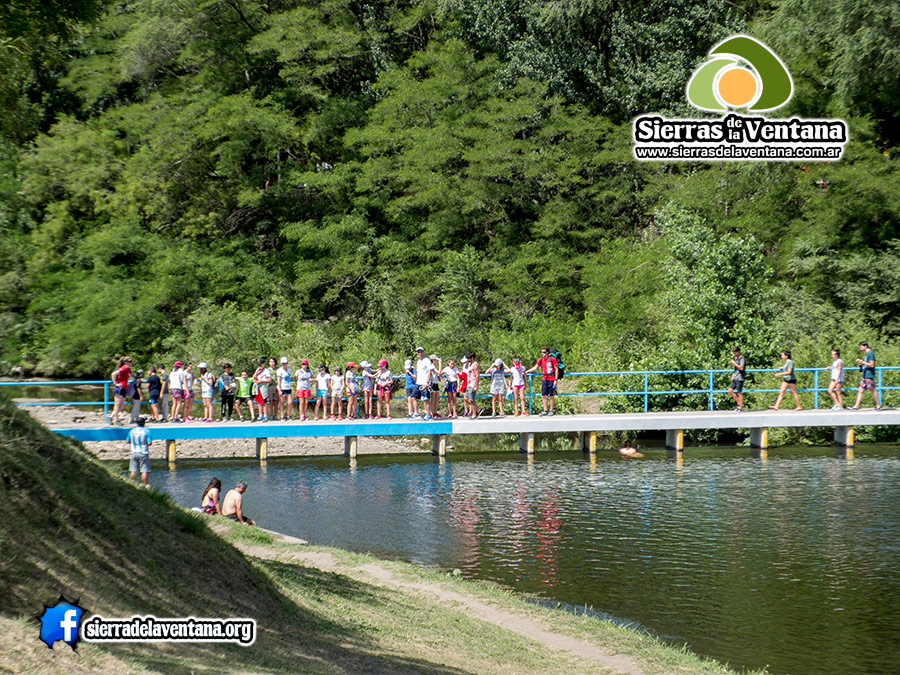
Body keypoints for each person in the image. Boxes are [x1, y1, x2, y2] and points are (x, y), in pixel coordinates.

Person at [525, 347, 558, 416]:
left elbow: (556, 369)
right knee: (543, 395)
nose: (542, 353)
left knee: (551, 395)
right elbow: (535, 367)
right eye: (542, 352)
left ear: (547, 352)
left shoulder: (552, 359)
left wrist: (556, 379)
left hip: (551, 378)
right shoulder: (541, 360)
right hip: (544, 379)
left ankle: (551, 410)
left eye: (544, 352)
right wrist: (527, 371)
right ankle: (545, 410)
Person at [850, 341, 882, 410]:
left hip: (869, 375)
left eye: (861, 347)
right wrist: (862, 364)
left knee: (872, 389)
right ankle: (856, 406)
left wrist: (862, 362)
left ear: (865, 346)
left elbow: (872, 364)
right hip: (865, 375)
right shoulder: (867, 354)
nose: (860, 348)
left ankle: (878, 405)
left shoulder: (870, 354)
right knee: (860, 390)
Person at [126, 417, 152, 486]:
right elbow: (149, 443)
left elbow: (127, 441)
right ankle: (144, 484)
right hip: (143, 453)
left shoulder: (132, 431)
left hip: (134, 452)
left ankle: (130, 483)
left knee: (133, 470)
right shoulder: (146, 431)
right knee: (144, 470)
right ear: (144, 423)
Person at [413, 348, 435, 420]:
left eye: (421, 352)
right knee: (414, 397)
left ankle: (428, 414)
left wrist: (427, 382)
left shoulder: (427, 360)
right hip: (418, 382)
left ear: (423, 352)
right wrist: (416, 381)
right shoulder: (418, 361)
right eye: (418, 352)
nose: (420, 353)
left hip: (424, 382)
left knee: (426, 398)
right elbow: (418, 372)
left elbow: (429, 372)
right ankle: (416, 414)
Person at [109, 357, 132, 426]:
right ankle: (116, 419)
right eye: (130, 361)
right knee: (117, 405)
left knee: (122, 406)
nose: (131, 362)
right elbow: (113, 374)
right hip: (119, 388)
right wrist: (115, 383)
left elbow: (132, 375)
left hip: (124, 388)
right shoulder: (124, 368)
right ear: (126, 362)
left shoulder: (128, 369)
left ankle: (110, 417)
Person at [727, 347, 746, 412]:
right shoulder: (736, 359)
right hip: (735, 377)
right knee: (730, 390)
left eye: (735, 352)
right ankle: (738, 403)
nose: (734, 354)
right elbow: (736, 369)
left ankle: (740, 407)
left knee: (739, 392)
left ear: (738, 352)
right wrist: (733, 375)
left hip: (740, 377)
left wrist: (734, 363)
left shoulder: (742, 359)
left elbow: (741, 368)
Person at [252, 358, 270, 422]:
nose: (260, 366)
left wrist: (262, 381)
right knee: (258, 402)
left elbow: (269, 380)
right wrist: (256, 373)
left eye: (261, 364)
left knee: (264, 402)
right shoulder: (258, 370)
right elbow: (253, 377)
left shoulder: (266, 371)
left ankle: (265, 415)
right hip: (257, 388)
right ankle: (260, 415)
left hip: (263, 387)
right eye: (259, 364)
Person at [465, 353, 481, 419]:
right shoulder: (469, 365)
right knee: (466, 398)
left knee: (472, 400)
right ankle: (478, 408)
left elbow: (477, 375)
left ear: (472, 358)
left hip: (473, 384)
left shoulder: (475, 365)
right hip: (469, 383)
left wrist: (476, 386)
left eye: (469, 358)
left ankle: (474, 414)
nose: (468, 360)